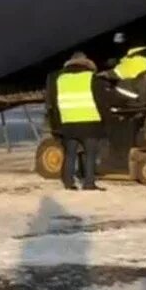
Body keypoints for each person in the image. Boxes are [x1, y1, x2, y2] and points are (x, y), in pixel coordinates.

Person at [47, 52, 113, 191]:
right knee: (90, 155)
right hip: (90, 124)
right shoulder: (92, 79)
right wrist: (106, 123)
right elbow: (101, 102)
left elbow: (53, 104)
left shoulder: (59, 79)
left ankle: (68, 182)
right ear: (87, 64)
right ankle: (89, 183)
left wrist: (56, 126)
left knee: (70, 154)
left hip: (68, 124)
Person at [107, 31, 146, 106]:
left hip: (132, 94)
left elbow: (115, 73)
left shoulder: (135, 59)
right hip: (144, 95)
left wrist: (96, 75)